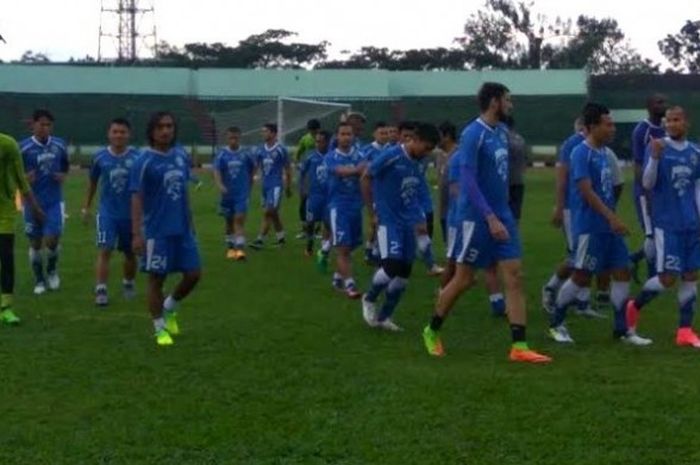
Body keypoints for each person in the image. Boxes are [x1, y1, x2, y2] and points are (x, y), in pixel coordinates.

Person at [421, 82, 551, 363]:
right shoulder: (472, 134)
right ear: (494, 102)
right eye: (508, 100)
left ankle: (519, 346)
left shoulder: (502, 132)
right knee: (464, 279)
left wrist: (502, 212)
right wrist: (489, 217)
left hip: (501, 213)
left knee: (514, 275)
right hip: (476, 217)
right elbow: (467, 179)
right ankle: (432, 330)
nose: (511, 105)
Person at [548, 103, 651, 346]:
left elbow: (611, 188)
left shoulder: (604, 153)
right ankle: (556, 323)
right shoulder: (580, 153)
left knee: (622, 271)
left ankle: (621, 329)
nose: (613, 129)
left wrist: (611, 218)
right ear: (593, 126)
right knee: (582, 275)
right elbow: (586, 191)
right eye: (608, 124)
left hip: (608, 227)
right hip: (590, 227)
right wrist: (612, 217)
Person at [626, 106, 700, 348]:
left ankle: (685, 331)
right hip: (667, 225)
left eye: (676, 120)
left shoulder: (695, 151)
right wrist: (655, 158)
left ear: (686, 123)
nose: (671, 124)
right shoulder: (657, 147)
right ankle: (633, 309)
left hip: (692, 223)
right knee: (667, 279)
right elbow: (647, 182)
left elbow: (697, 188)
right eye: (668, 121)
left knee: (691, 275)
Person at [130, 111, 202, 347]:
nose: (165, 130)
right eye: (160, 126)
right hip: (157, 231)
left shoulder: (180, 155)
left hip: (182, 228)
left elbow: (184, 192)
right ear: (152, 131)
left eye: (170, 126)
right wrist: (136, 234)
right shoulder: (144, 160)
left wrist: (190, 222)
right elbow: (136, 197)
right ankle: (159, 328)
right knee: (156, 279)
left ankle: (170, 306)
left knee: (193, 274)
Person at [361, 123, 441, 331]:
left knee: (404, 275)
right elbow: (366, 177)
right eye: (426, 147)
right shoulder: (391, 156)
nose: (427, 152)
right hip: (388, 220)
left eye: (431, 149)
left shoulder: (419, 161)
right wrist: (372, 213)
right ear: (415, 139)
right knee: (391, 266)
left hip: (408, 222)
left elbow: (416, 189)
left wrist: (420, 217)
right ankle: (369, 298)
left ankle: (384, 317)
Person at [439, 121, 505, 318]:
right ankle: (442, 297)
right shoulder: (458, 159)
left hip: (483, 215)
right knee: (454, 263)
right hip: (461, 219)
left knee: (491, 261)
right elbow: (455, 189)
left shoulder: (479, 157)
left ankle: (497, 304)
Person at [81, 118, 140, 307]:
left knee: (130, 253)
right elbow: (92, 182)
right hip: (108, 212)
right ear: (109, 134)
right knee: (105, 249)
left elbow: (145, 185)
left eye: (122, 132)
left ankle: (128, 283)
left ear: (129, 135)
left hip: (131, 214)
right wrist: (86, 206)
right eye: (115, 131)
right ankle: (101, 289)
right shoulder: (100, 157)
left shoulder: (138, 157)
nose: (119, 135)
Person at [20, 109, 69, 295]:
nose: (45, 128)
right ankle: (39, 280)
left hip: (54, 201)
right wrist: (24, 178)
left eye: (48, 125)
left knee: (52, 240)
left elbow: (65, 165)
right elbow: (15, 174)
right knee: (35, 243)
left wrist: (63, 175)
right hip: (32, 203)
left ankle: (52, 270)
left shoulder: (59, 145)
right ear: (33, 125)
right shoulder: (22, 148)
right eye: (41, 124)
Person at [0, 132, 44, 324]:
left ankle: (6, 308)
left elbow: (21, 178)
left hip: (4, 212)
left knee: (6, 258)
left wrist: (35, 208)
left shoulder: (8, 145)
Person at [629, 94, 667, 281]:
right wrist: (645, 193)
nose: (663, 105)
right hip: (646, 192)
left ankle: (634, 259)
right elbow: (637, 164)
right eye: (659, 102)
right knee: (651, 235)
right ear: (649, 106)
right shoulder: (642, 130)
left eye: (664, 102)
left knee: (663, 232)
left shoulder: (666, 129)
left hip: (661, 191)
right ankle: (653, 277)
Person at [326, 122, 366, 299]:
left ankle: (337, 277)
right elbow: (340, 171)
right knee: (343, 247)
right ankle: (350, 285)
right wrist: (357, 170)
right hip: (338, 206)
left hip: (356, 205)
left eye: (349, 134)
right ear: (337, 136)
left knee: (351, 246)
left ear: (353, 136)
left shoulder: (360, 154)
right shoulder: (330, 157)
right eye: (343, 134)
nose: (346, 137)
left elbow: (365, 172)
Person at [400, 121, 443, 276]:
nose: (408, 139)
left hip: (419, 196)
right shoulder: (395, 155)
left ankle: (430, 264)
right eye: (405, 136)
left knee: (424, 229)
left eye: (410, 136)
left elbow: (439, 152)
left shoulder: (423, 154)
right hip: (399, 201)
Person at [213, 126, 255, 261]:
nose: (233, 140)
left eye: (236, 138)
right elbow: (217, 171)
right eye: (231, 137)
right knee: (229, 221)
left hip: (241, 194)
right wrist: (220, 185)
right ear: (227, 138)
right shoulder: (221, 154)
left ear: (239, 138)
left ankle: (240, 249)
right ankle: (231, 247)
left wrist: (249, 184)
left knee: (239, 219)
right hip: (227, 194)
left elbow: (253, 168)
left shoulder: (246, 154)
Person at [250, 123, 292, 249]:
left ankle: (260, 240)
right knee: (273, 213)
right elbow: (255, 167)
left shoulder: (280, 150)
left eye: (266, 131)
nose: (263, 134)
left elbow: (288, 169)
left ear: (274, 133)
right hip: (265, 186)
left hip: (276, 185)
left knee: (269, 211)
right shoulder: (260, 149)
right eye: (262, 131)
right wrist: (250, 182)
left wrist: (288, 187)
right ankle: (281, 238)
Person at [298, 130, 331, 263]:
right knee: (310, 222)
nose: (318, 144)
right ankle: (309, 247)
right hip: (314, 195)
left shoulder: (332, 156)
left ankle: (323, 251)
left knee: (328, 224)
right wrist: (302, 189)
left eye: (321, 141)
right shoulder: (310, 156)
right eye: (317, 141)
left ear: (327, 142)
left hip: (329, 196)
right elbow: (302, 173)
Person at [360, 121, 390, 265]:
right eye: (381, 133)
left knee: (382, 222)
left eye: (386, 133)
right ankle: (372, 250)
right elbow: (362, 171)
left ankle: (374, 251)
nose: (384, 136)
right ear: (374, 134)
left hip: (387, 192)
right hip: (373, 192)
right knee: (376, 221)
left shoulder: (391, 149)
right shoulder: (367, 151)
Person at [295, 119, 321, 240]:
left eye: (314, 131)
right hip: (306, 173)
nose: (313, 133)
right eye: (311, 131)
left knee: (319, 200)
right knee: (304, 199)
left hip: (319, 173)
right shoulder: (305, 139)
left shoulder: (323, 139)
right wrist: (297, 163)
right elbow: (298, 152)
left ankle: (317, 229)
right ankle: (304, 228)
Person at [504, 116, 527, 223]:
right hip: (519, 180)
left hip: (506, 180)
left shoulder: (503, 139)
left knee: (503, 213)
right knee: (515, 214)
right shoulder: (520, 139)